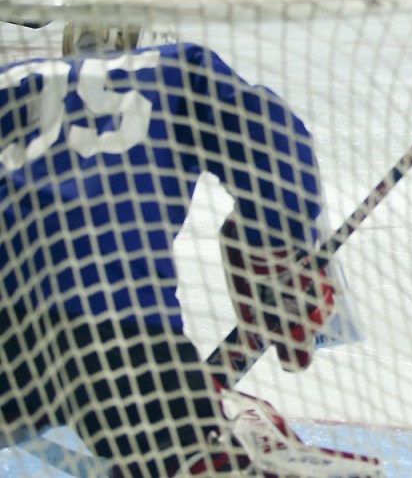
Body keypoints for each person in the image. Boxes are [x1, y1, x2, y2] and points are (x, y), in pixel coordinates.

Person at [0, 31, 377, 475]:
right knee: (208, 454)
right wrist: (275, 248)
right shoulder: (180, 67)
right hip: (118, 324)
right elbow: (276, 148)